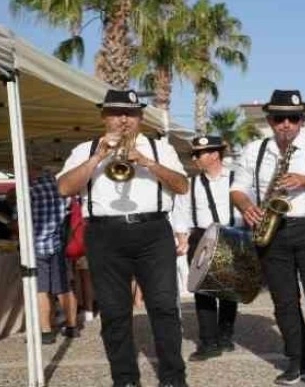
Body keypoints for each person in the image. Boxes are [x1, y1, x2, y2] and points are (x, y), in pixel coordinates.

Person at [57, 89, 189, 387]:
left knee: (164, 308)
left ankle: (173, 378)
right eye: (116, 113)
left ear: (141, 117)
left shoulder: (159, 148)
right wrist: (97, 158)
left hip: (153, 231)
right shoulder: (85, 148)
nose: (123, 119)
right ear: (104, 115)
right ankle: (125, 379)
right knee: (115, 313)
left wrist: (147, 162)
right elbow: (65, 188)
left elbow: (182, 186)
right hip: (104, 234)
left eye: (130, 113)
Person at [230, 89, 305, 387]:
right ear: (270, 120)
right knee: (284, 302)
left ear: (301, 120)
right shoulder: (254, 149)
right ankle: (299, 362)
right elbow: (237, 188)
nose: (286, 124)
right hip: (272, 231)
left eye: (293, 118)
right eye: (279, 118)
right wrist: (247, 207)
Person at [171, 135, 241, 361]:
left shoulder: (238, 180)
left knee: (229, 292)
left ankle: (225, 335)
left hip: (233, 234)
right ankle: (209, 342)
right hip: (202, 237)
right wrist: (182, 238)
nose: (194, 158)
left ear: (215, 155)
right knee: (203, 292)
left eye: (198, 154)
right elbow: (180, 213)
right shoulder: (190, 185)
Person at [30, 166, 79, 344]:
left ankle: (46, 331)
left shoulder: (31, 191)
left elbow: (22, 221)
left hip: (36, 246)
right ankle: (72, 327)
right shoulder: (62, 189)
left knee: (41, 290)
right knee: (63, 288)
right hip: (57, 244)